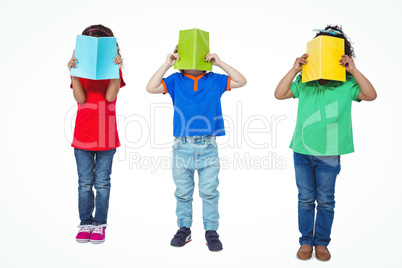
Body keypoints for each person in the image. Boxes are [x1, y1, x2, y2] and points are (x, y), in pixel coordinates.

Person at [274, 25, 376, 261]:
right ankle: (305, 242)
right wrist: (293, 69)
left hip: (329, 153)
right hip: (301, 150)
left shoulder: (347, 85)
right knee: (306, 199)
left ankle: (322, 242)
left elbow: (371, 95)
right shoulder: (305, 83)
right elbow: (279, 94)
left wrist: (355, 70)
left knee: (326, 200)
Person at [146, 45, 246, 251]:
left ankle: (211, 230)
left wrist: (220, 63)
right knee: (183, 192)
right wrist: (167, 64)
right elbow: (151, 87)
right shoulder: (175, 80)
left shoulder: (215, 80)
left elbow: (241, 81)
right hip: (182, 145)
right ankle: (184, 228)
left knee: (209, 191)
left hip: (208, 145)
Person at [67, 24, 125, 244]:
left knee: (102, 183)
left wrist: (116, 70)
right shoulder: (79, 73)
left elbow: (110, 97)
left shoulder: (115, 73)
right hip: (82, 136)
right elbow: (81, 99)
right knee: (84, 183)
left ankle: (99, 224)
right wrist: (73, 72)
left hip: (106, 137)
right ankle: (85, 223)